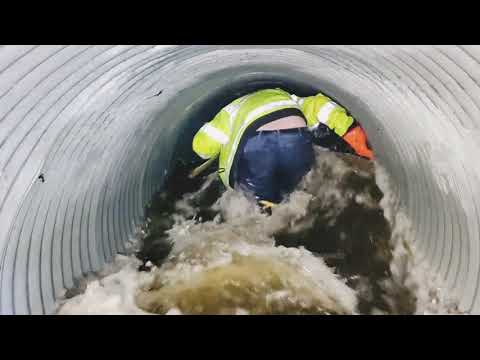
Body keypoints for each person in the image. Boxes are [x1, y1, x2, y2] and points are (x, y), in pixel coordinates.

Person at [192, 88, 373, 210]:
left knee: (255, 198)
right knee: (291, 184)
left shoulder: (230, 111)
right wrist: (351, 131)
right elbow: (322, 106)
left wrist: (212, 151)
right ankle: (292, 206)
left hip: (259, 143)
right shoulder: (290, 98)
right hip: (296, 139)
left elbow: (201, 147)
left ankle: (266, 214)